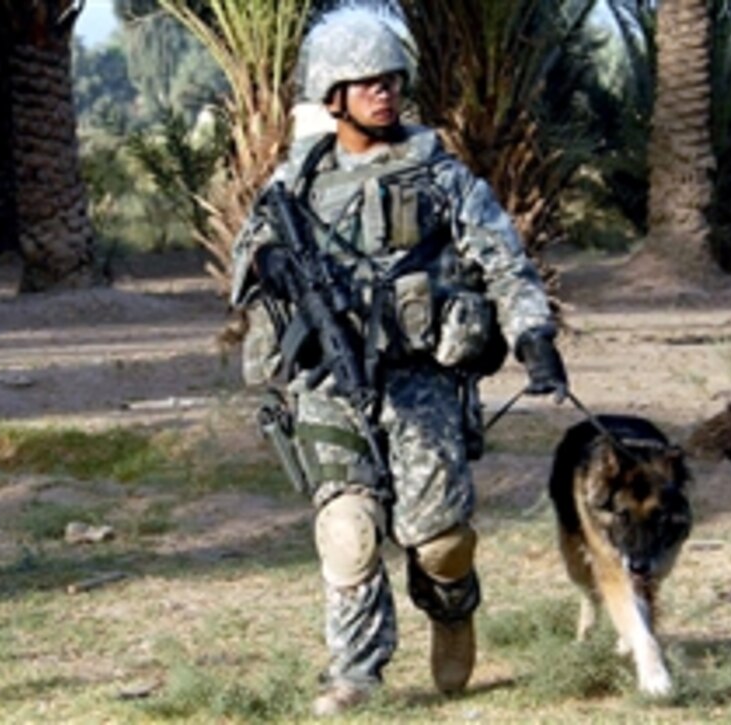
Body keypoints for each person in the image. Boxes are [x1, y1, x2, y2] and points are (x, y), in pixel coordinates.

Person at [229, 7, 568, 717]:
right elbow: (244, 267)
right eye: (365, 83)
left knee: (440, 539)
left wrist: (534, 335)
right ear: (333, 96)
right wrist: (268, 264)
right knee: (348, 531)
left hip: (421, 379)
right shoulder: (294, 185)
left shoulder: (439, 175)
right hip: (328, 380)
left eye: (391, 80)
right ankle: (356, 673)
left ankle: (452, 606)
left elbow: (504, 260)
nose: (383, 93)